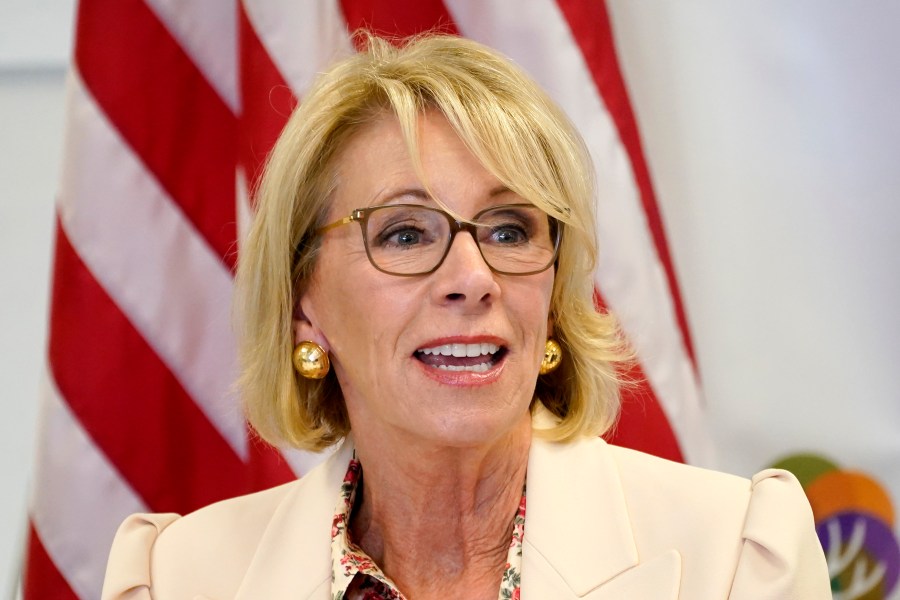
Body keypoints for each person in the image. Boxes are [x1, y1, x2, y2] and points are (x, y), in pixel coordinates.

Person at [101, 34, 830, 599]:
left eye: (510, 230)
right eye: (405, 233)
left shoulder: (733, 556)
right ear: (303, 306)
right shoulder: (176, 578)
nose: (473, 278)